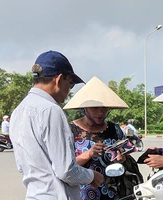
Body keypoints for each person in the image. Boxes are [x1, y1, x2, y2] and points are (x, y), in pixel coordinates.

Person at [9, 50, 104, 200]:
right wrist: (92, 176)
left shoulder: (18, 112)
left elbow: (22, 166)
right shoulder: (51, 110)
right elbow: (66, 171)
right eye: (70, 84)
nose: (69, 91)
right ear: (59, 79)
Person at [64, 76, 142, 200]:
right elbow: (64, 167)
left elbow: (123, 158)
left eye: (104, 108)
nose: (100, 113)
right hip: (81, 194)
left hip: (113, 193)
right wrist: (89, 154)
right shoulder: (70, 130)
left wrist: (121, 159)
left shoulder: (115, 129)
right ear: (84, 108)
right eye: (95, 108)